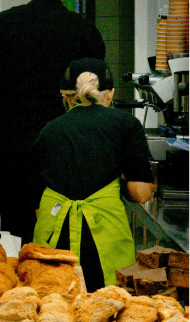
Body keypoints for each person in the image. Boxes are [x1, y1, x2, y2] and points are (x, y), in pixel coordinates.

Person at [0, 0, 105, 243]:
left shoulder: (0, 25)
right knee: (61, 235)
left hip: (10, 148)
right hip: (64, 148)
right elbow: (95, 97)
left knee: (14, 233)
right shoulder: (85, 32)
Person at [33, 58, 153, 292]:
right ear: (110, 94)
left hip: (55, 242)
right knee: (106, 307)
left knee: (54, 309)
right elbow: (141, 194)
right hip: (104, 240)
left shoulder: (49, 130)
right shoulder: (126, 125)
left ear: (66, 97)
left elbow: (36, 202)